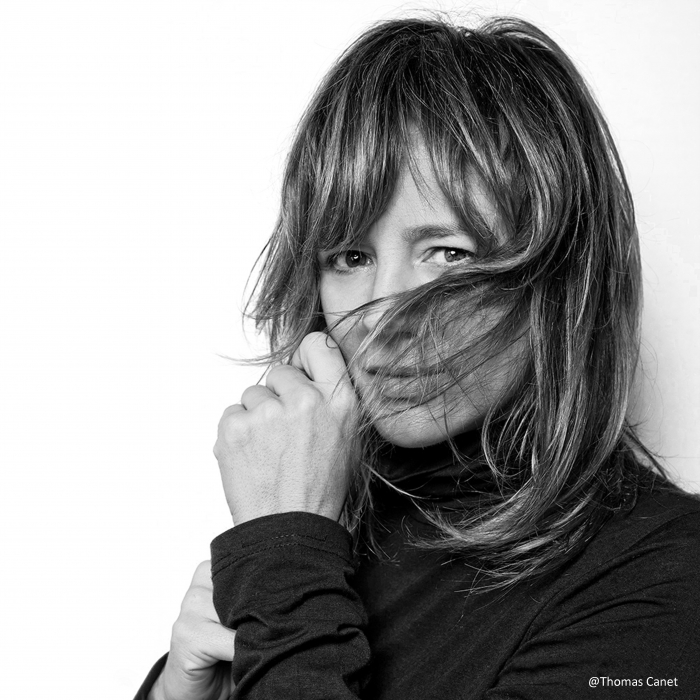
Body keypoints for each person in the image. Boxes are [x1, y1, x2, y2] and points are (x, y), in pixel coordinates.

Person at [136, 15, 700, 700]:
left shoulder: (664, 579)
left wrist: (286, 570)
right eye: (351, 256)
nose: (381, 319)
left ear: (558, 281)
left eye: (449, 254)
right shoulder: (325, 535)